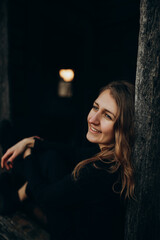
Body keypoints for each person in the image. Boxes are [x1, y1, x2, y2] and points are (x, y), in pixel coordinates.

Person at [0, 81, 135, 240]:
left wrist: (29, 154)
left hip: (68, 234)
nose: (93, 119)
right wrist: (32, 142)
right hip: (72, 220)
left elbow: (45, 197)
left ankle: (17, 191)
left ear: (123, 127)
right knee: (51, 157)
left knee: (50, 161)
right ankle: (16, 184)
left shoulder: (100, 170)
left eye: (107, 116)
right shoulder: (112, 156)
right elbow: (73, 152)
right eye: (95, 107)